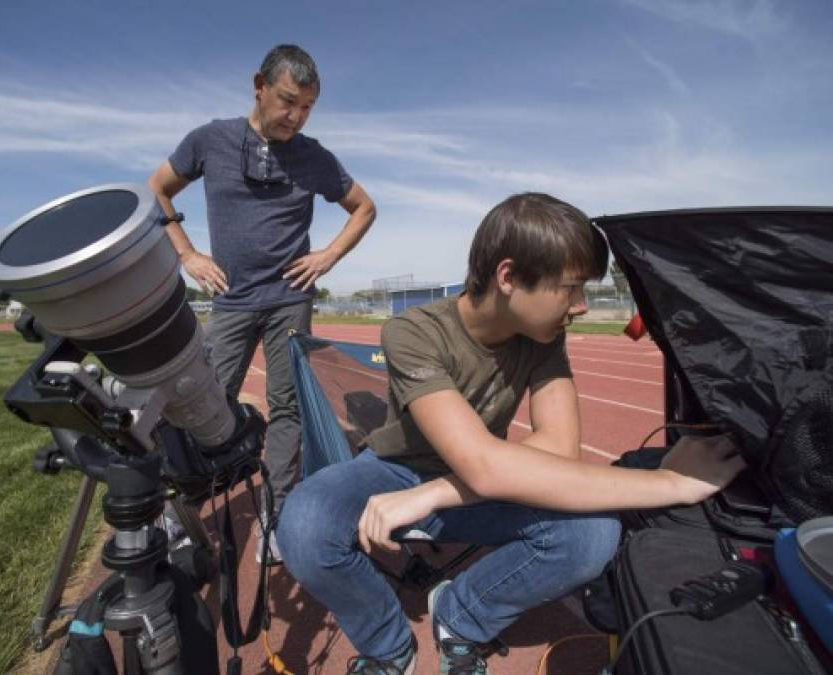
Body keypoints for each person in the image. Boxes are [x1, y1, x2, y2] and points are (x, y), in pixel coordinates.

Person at [276, 193, 746, 674]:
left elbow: (559, 448)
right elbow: (484, 465)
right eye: (571, 288)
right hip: (396, 469)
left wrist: (437, 493)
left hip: (473, 482)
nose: (581, 306)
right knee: (304, 524)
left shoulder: (543, 336)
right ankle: (388, 645)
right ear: (508, 277)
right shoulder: (412, 331)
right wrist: (672, 483)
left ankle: (460, 617)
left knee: (592, 535)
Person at [148, 45, 376, 564]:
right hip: (230, 298)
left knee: (288, 403)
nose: (295, 116)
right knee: (198, 398)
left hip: (288, 300)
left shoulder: (314, 156)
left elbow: (364, 207)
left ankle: (278, 509)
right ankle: (178, 507)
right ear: (260, 85)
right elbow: (157, 188)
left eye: (308, 107)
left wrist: (329, 255)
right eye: (288, 101)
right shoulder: (210, 140)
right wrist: (187, 253)